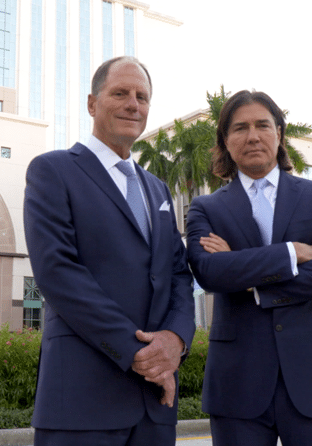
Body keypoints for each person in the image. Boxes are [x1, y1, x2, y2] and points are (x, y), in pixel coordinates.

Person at [24, 56, 195, 446]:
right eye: (120, 93)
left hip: (156, 404)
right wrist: (139, 353)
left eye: (142, 97)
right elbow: (58, 272)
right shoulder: (52, 171)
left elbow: (178, 276)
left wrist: (175, 340)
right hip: (82, 402)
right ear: (91, 104)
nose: (133, 104)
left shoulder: (158, 189)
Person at [187, 90, 312, 446]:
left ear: (279, 133)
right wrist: (292, 253)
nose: (252, 136)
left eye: (262, 125)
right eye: (239, 128)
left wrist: (250, 281)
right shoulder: (205, 208)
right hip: (237, 385)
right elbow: (210, 272)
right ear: (225, 139)